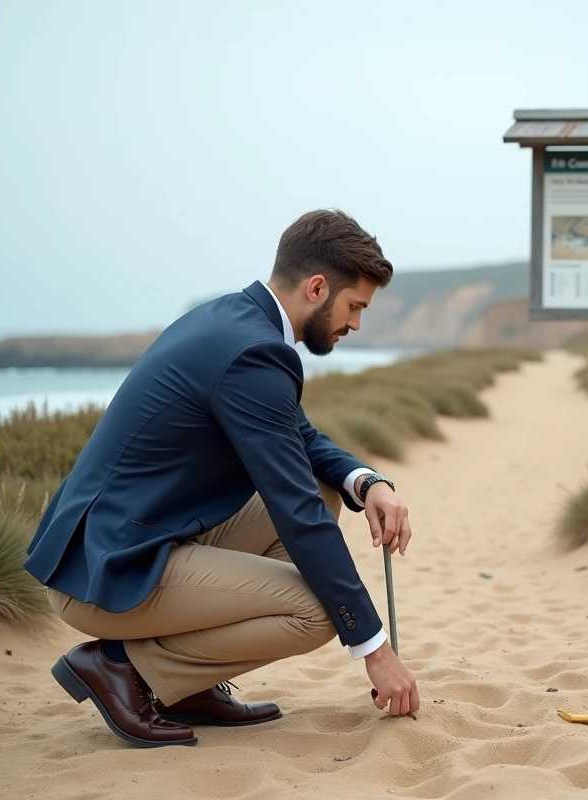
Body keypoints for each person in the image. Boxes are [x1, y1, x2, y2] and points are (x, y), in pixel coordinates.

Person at [23, 209, 420, 748]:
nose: (355, 325)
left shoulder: (233, 321)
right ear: (318, 287)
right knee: (316, 613)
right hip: (107, 570)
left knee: (329, 491)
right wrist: (375, 650)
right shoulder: (252, 353)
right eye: (354, 307)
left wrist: (367, 482)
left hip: (131, 536)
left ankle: (185, 682)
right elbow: (296, 512)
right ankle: (122, 667)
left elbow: (299, 437)